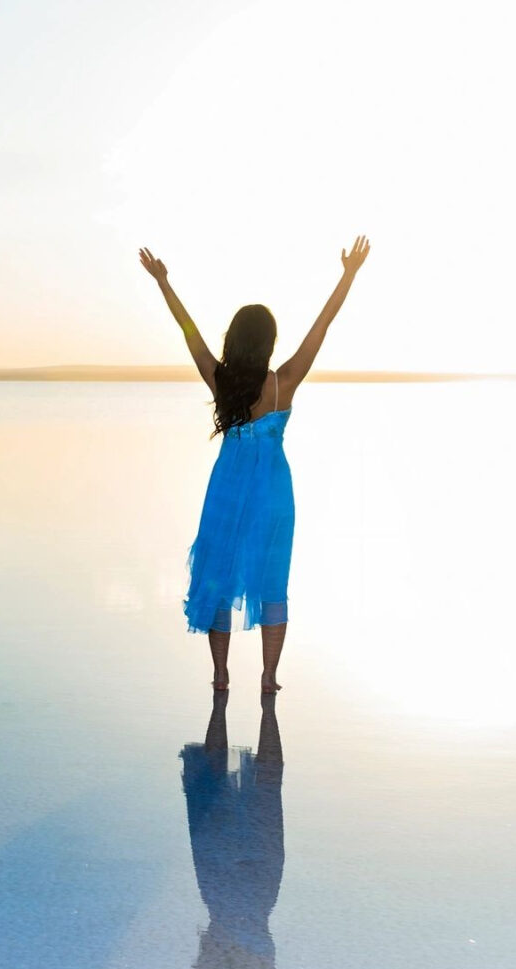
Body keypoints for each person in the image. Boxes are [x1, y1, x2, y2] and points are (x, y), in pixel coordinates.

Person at [138, 237, 370, 692]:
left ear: (234, 340)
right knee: (271, 580)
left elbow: (189, 332)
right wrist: (349, 274)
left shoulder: (219, 379)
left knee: (221, 575)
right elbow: (322, 326)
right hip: (273, 494)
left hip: (227, 486)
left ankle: (220, 674)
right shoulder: (284, 382)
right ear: (268, 343)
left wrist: (163, 282)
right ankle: (269, 677)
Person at [128, 692, 320, 969]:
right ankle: (253, 704)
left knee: (259, 784)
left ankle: (250, 704)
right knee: (244, 786)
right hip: (236, 877)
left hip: (245, 876)